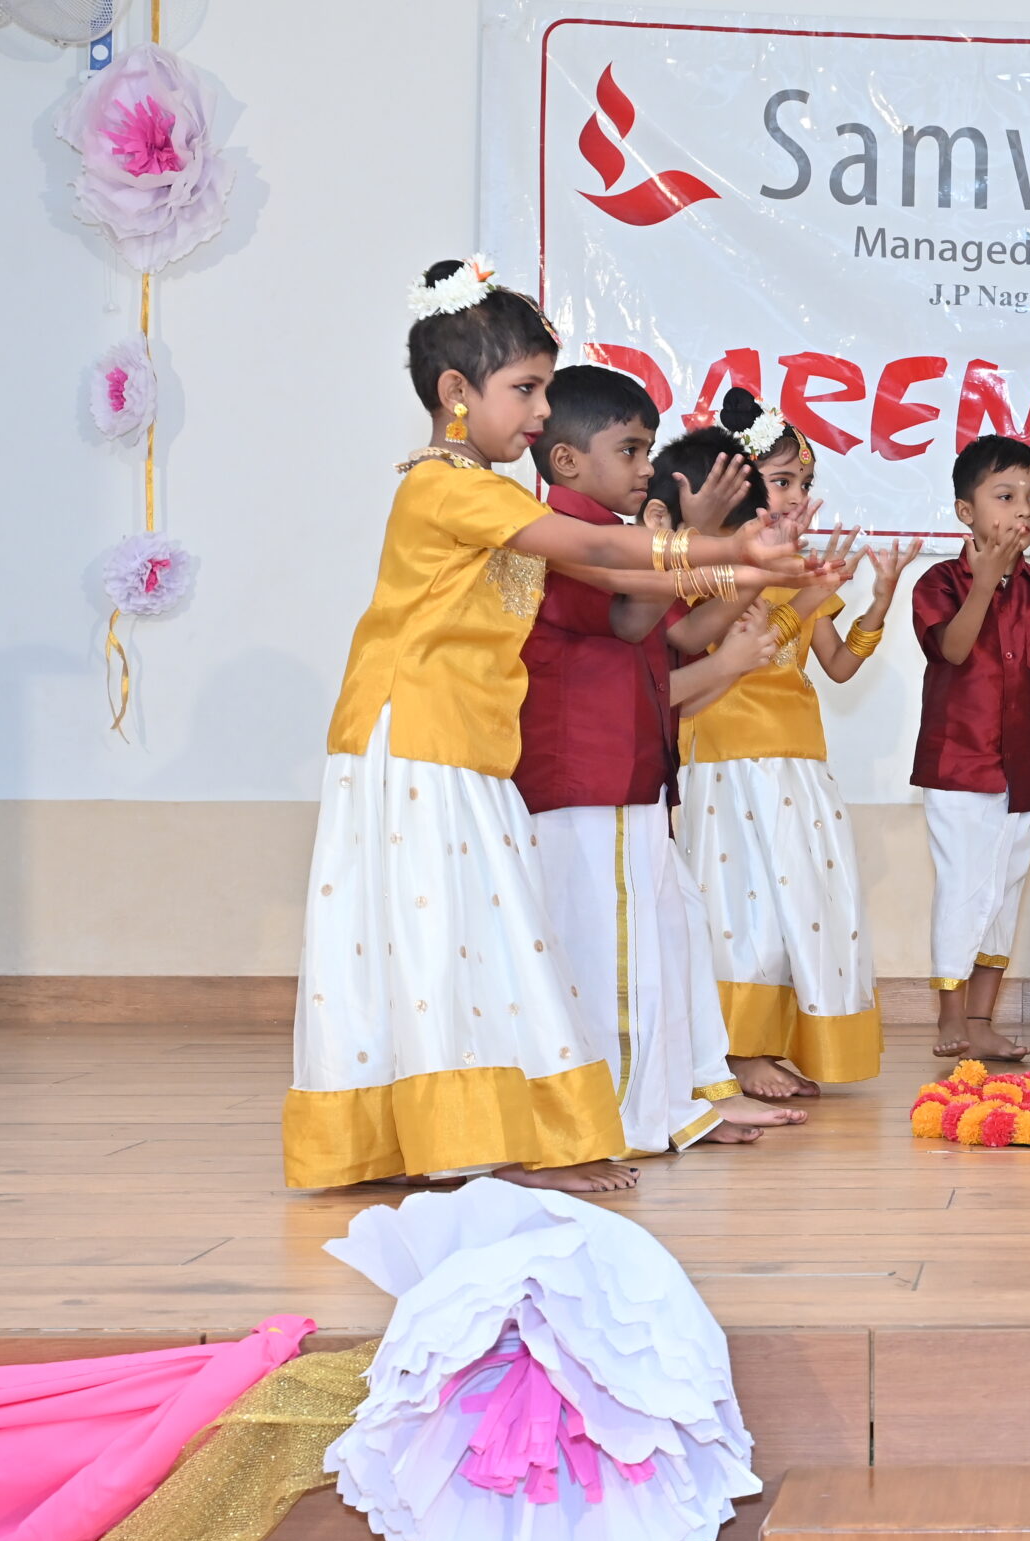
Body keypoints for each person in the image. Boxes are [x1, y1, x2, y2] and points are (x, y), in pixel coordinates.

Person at [284, 258, 805, 1194]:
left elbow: (611, 574)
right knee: (450, 939)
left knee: (472, 937)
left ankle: (475, 1140)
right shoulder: (444, 486)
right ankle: (483, 1147)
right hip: (417, 741)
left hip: (461, 744)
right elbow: (600, 544)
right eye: (524, 389)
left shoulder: (489, 494)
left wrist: (738, 568)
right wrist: (730, 544)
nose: (540, 410)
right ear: (456, 393)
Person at [514, 365, 811, 1156]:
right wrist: (696, 540)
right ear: (567, 459)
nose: (645, 466)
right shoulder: (568, 534)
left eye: (649, 449)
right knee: (610, 951)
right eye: (631, 449)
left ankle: (674, 1101)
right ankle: (615, 1119)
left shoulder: (608, 532)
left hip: (630, 768)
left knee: (662, 937)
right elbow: (631, 618)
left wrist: (711, 550)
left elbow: (655, 624)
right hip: (586, 770)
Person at [671, 403, 919, 1100]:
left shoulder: (801, 568)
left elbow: (837, 667)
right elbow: (733, 652)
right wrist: (804, 599)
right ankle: (738, 1051)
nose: (795, 497)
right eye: (781, 481)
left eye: (803, 483)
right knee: (743, 908)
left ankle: (779, 1043)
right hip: (731, 753)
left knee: (804, 905)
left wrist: (878, 603)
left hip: (798, 755)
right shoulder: (713, 564)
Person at [910, 433, 1030, 1062]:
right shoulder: (939, 581)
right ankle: (949, 1016)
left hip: (1021, 770)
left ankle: (981, 1019)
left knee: (1003, 893)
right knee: (964, 887)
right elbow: (953, 648)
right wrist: (984, 581)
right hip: (958, 766)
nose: (1024, 509)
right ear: (965, 510)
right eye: (1006, 496)